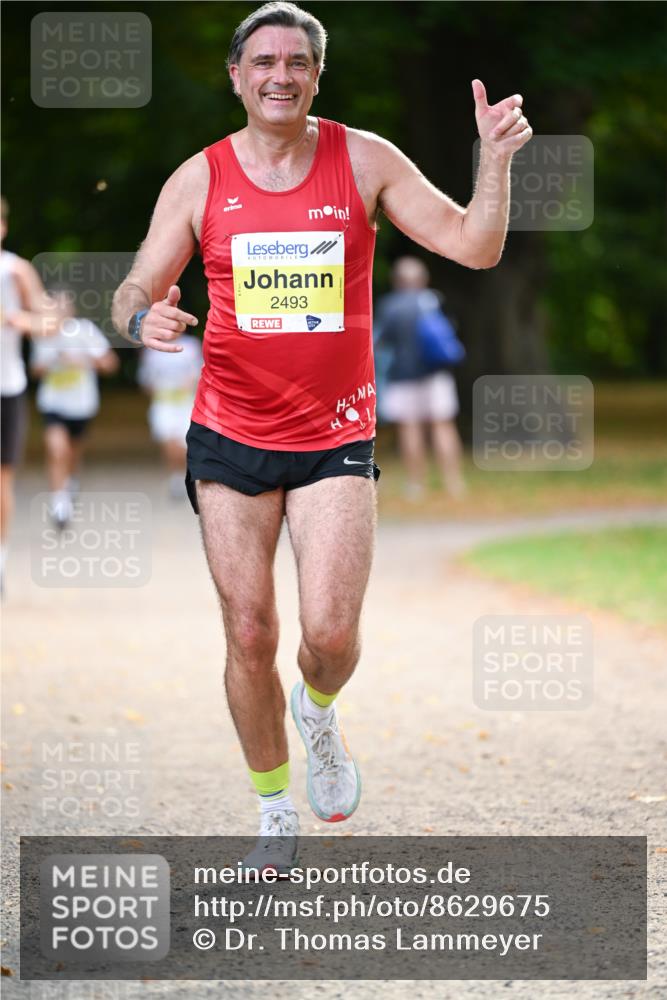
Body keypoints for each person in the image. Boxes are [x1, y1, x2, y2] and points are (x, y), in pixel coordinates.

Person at [112, 1, 532, 869]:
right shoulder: (199, 179)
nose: (279, 75)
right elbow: (136, 285)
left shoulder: (364, 158)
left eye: (297, 62)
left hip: (335, 434)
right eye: (262, 61)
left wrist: (492, 163)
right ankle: (273, 805)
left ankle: (318, 712)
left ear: (315, 75)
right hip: (228, 434)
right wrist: (138, 320)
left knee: (329, 636)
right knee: (250, 630)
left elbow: (474, 245)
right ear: (236, 75)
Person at [0, 196, 61, 591]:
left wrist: (20, 320)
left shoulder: (15, 270)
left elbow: (51, 321)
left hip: (5, 387)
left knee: (1, 480)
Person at [375, 256, 466, 500]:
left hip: (402, 377)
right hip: (436, 374)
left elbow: (380, 342)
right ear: (422, 279)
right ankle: (454, 482)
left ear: (397, 280)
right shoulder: (434, 300)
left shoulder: (390, 306)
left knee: (410, 428)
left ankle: (416, 485)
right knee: (443, 425)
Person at [30, 289, 119, 528]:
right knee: (57, 450)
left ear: (71, 308)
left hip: (81, 405)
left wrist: (84, 360)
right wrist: (53, 361)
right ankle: (60, 505)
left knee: (72, 453)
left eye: (63, 305)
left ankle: (70, 483)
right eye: (55, 306)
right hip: (53, 403)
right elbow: (35, 370)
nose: (59, 310)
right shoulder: (44, 334)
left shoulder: (85, 331)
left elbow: (110, 363)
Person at [137, 333, 203, 499]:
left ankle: (187, 475)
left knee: (185, 444)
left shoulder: (191, 346)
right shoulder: (152, 349)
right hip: (164, 404)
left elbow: (202, 370)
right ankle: (176, 476)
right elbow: (146, 379)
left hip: (187, 403)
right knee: (168, 442)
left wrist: (192, 382)